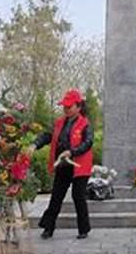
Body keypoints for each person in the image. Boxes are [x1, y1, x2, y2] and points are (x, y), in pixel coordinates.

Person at [32, 89, 94, 240]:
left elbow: (88, 143)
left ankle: (83, 229)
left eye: (69, 106)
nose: (65, 109)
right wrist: (35, 145)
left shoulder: (85, 124)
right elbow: (47, 136)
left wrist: (72, 152)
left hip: (79, 166)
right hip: (63, 165)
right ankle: (48, 228)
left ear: (78, 107)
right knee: (56, 196)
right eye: (64, 106)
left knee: (78, 196)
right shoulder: (59, 123)